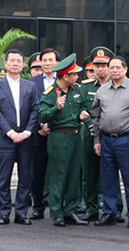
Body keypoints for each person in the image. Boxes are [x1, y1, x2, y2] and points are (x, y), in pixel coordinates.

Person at [90, 56, 129, 229]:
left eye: (118, 67)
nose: (114, 70)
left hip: (128, 139)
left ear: (125, 69)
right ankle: (110, 213)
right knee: (108, 179)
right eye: (112, 67)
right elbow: (95, 116)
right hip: (106, 139)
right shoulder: (102, 90)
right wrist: (96, 139)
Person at [38, 53, 89, 227]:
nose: (77, 77)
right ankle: (57, 212)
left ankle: (71, 211)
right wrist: (56, 107)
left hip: (76, 135)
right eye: (74, 74)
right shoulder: (50, 93)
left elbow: (82, 106)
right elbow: (42, 114)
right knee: (58, 175)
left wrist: (83, 114)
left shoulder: (77, 90)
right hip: (59, 136)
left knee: (74, 175)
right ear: (65, 76)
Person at [0, 49, 39, 226]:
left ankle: (21, 213)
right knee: (4, 178)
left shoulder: (30, 86)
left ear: (23, 64)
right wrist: (10, 133)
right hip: (5, 139)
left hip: (26, 139)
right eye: (12, 61)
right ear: (6, 63)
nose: (16, 63)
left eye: (19, 61)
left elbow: (35, 110)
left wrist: (27, 132)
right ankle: (4, 213)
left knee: (25, 178)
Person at [78, 46, 114, 222]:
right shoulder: (85, 87)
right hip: (89, 134)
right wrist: (90, 125)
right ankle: (91, 208)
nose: (100, 69)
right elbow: (83, 109)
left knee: (110, 172)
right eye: (97, 65)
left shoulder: (116, 86)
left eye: (104, 65)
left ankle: (113, 208)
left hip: (108, 135)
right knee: (89, 174)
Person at [28, 47, 59, 220]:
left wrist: (51, 124)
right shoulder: (32, 82)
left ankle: (57, 206)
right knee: (37, 172)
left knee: (57, 172)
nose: (47, 63)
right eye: (44, 60)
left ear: (57, 62)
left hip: (58, 133)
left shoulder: (63, 80)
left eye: (50, 60)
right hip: (38, 133)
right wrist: (41, 125)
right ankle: (38, 206)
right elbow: (31, 108)